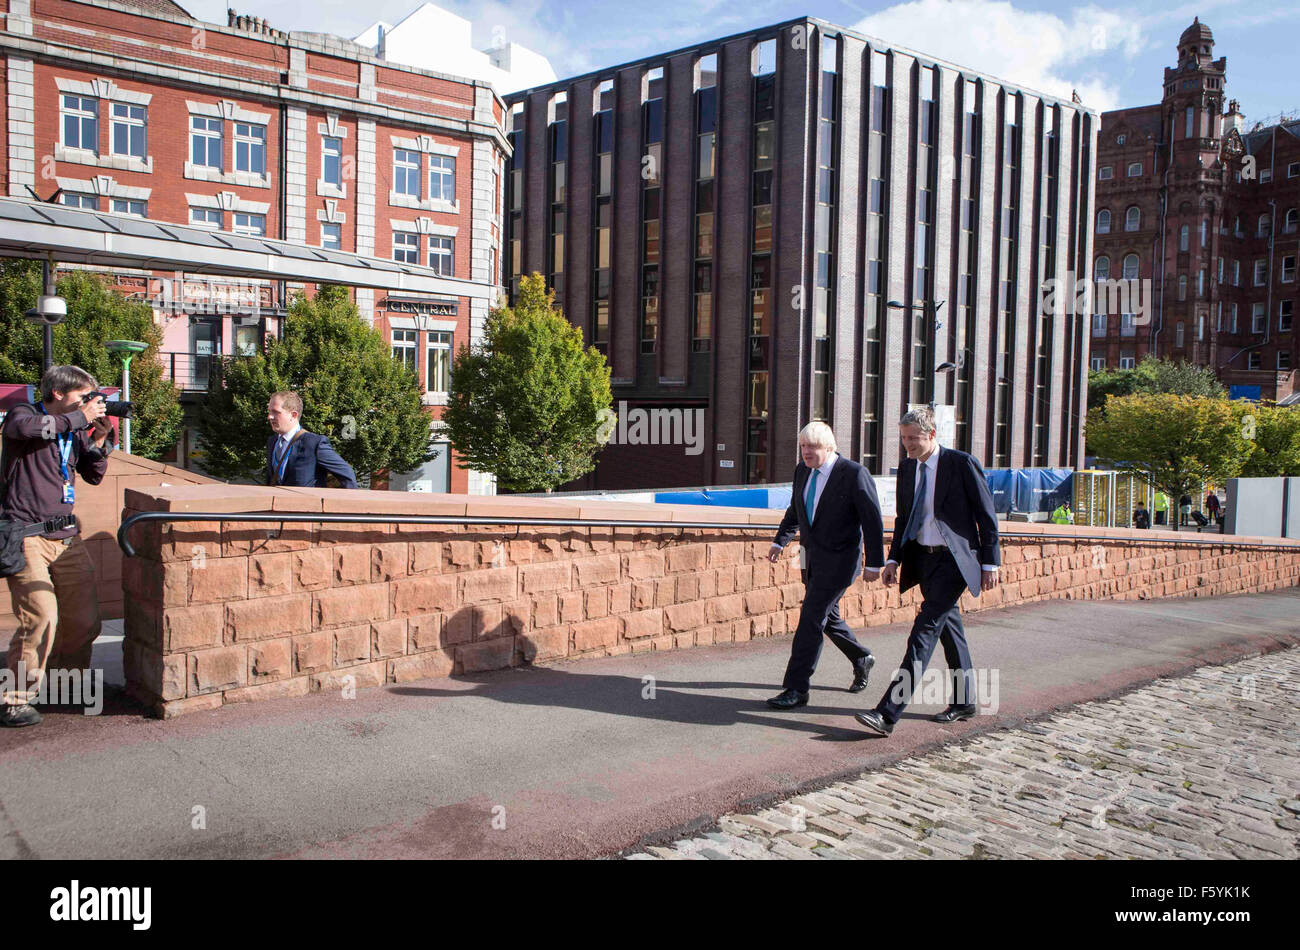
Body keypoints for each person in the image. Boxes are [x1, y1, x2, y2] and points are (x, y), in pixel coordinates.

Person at [855, 407, 1001, 737]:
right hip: (923, 559)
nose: (907, 445)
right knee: (950, 630)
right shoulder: (908, 469)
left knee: (923, 631)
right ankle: (965, 702)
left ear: (931, 434)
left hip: (954, 561)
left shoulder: (960, 463)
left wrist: (990, 563)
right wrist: (894, 559)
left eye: (913, 439)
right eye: (904, 438)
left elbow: (985, 514)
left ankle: (887, 713)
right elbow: (904, 519)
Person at [1, 365, 114, 727]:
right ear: (58, 393)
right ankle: (15, 698)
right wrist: (79, 418)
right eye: (84, 397)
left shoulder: (75, 427)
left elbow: (93, 474)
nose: (90, 404)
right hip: (25, 534)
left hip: (65, 536)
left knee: (84, 619)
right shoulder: (27, 415)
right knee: (41, 616)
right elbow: (24, 430)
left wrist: (100, 439)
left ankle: (65, 686)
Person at [765, 422, 885, 709]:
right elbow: (796, 509)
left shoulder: (854, 474)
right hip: (809, 557)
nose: (806, 452)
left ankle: (796, 688)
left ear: (829, 447)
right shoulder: (802, 470)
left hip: (841, 561)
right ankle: (861, 657)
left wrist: (875, 563)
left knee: (811, 618)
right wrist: (780, 541)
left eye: (813, 447)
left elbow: (872, 520)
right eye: (803, 446)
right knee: (827, 617)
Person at [266, 391, 358, 488]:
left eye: (276, 412)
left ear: (293, 415)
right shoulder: (272, 442)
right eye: (269, 411)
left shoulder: (314, 443)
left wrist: (343, 502)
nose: (270, 417)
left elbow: (347, 475)